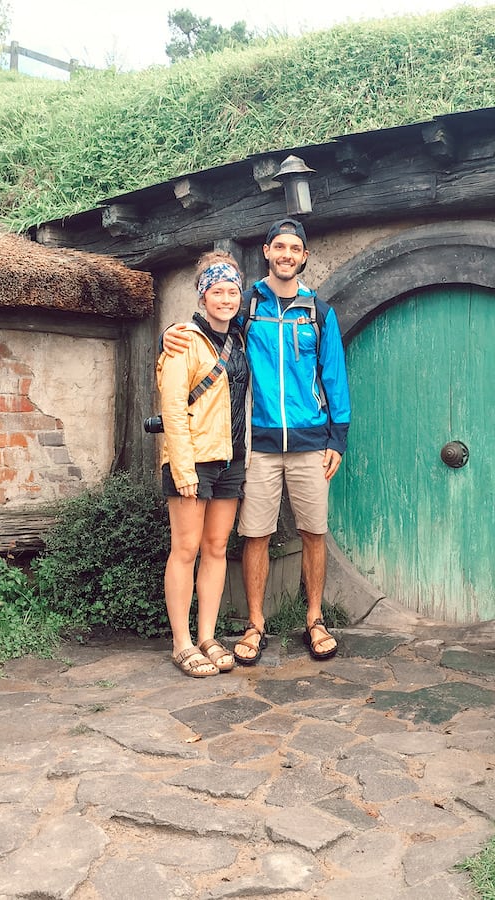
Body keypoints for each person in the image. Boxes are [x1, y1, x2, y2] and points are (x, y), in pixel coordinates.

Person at [164, 218, 351, 665]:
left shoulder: (319, 313)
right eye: (279, 247)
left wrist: (337, 438)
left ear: (304, 256)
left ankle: (315, 618)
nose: (287, 254)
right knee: (255, 535)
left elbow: (334, 377)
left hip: (310, 441)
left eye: (295, 249)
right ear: (266, 251)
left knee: (313, 532)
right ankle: (254, 624)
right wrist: (167, 335)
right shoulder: (245, 304)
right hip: (258, 444)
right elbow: (206, 332)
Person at [157, 251, 250, 677]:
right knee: (186, 549)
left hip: (231, 457)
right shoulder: (183, 342)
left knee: (216, 550)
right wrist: (183, 468)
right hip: (192, 458)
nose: (226, 298)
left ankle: (208, 635)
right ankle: (182, 643)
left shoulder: (241, 338)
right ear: (202, 296)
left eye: (232, 291)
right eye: (217, 291)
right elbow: (173, 408)